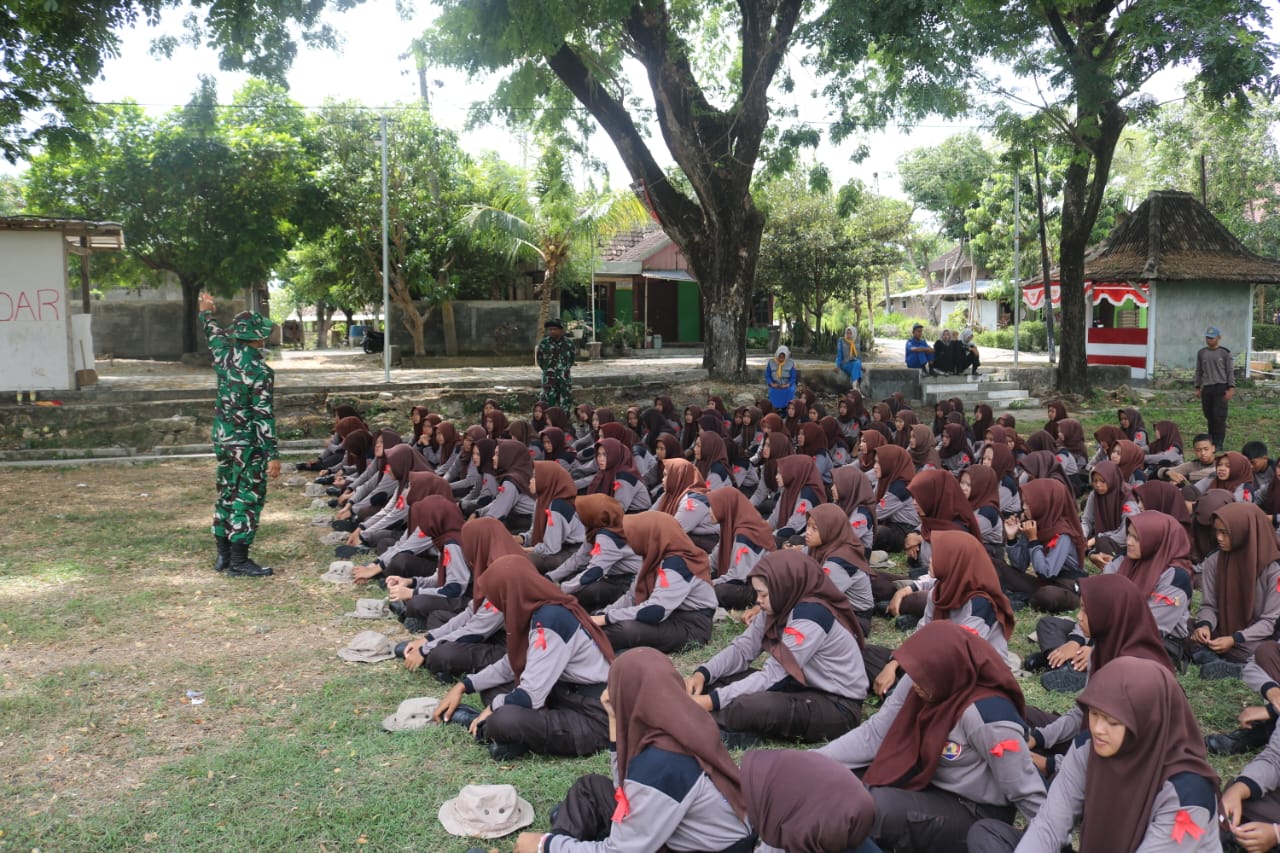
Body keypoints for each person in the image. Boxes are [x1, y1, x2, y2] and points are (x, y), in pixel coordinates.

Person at [819, 622, 1045, 852]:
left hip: (973, 808)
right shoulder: (924, 678)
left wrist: (1051, 841)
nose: (915, 684)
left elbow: (1024, 787)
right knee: (837, 784)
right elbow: (875, 733)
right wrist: (813, 762)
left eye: (921, 679)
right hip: (927, 779)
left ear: (946, 672)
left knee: (864, 806)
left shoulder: (986, 716)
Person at [968, 657, 1220, 853]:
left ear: (1147, 722)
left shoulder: (1188, 793)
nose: (1098, 728)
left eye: (1113, 721)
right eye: (1095, 714)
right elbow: (1049, 826)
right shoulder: (1088, 749)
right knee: (989, 836)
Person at [513, 648, 753, 853]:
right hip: (690, 829)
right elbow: (625, 789)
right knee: (590, 788)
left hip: (707, 849)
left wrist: (545, 845)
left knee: (560, 836)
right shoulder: (683, 722)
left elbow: (620, 850)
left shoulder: (662, 764)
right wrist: (614, 718)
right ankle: (567, 838)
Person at [432, 555, 614, 761]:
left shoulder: (551, 619)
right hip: (561, 693)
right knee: (493, 690)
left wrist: (492, 708)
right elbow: (511, 664)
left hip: (592, 715)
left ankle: (490, 728)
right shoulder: (535, 610)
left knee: (504, 719)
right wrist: (463, 686)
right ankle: (508, 738)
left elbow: (530, 696)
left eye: (497, 597)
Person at [686, 551, 868, 746]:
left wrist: (711, 701)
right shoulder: (780, 604)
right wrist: (703, 673)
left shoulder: (811, 616)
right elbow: (743, 649)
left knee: (752, 705)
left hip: (837, 704)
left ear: (784, 586)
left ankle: (698, 722)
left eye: (763, 594)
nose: (758, 600)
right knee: (721, 680)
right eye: (757, 593)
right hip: (801, 685)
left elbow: (773, 675)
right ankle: (714, 716)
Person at [197, 292, 279, 578]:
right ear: (259, 338)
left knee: (226, 493)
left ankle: (223, 555)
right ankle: (239, 561)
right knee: (248, 497)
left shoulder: (224, 355)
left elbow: (213, 334)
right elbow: (263, 415)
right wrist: (272, 454)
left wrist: (206, 311)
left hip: (223, 439)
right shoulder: (260, 371)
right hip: (248, 444)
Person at [1195, 324, 1234, 451]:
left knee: (1219, 416)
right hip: (1207, 388)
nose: (1209, 340)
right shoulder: (1202, 353)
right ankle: (1211, 441)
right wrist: (1197, 387)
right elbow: (1199, 371)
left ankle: (1219, 443)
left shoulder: (1225, 353)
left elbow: (1230, 371)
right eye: (1207, 338)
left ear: (1218, 338)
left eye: (1212, 338)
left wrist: (1231, 388)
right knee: (1209, 415)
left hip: (1220, 387)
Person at [536, 318, 576, 409]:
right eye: (550, 329)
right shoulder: (544, 344)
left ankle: (564, 418)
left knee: (565, 405)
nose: (552, 331)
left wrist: (563, 370)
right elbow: (540, 360)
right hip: (549, 380)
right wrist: (549, 370)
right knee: (547, 405)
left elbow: (571, 359)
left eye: (555, 329)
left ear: (561, 330)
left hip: (564, 380)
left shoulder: (569, 344)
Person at [765, 345, 797, 411]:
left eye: (783, 356)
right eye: (780, 356)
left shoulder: (791, 363)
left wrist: (787, 384)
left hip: (787, 385)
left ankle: (786, 409)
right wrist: (771, 384)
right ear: (777, 354)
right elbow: (767, 376)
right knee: (772, 391)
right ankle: (774, 409)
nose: (781, 358)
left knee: (789, 391)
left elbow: (793, 377)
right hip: (775, 384)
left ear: (786, 356)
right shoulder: (771, 362)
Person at [836, 325, 864, 390]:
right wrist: (837, 365)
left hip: (854, 363)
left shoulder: (857, 340)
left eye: (850, 333)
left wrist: (861, 366)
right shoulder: (841, 340)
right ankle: (855, 387)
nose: (848, 335)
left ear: (854, 333)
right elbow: (839, 355)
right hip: (845, 363)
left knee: (857, 364)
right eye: (847, 333)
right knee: (858, 367)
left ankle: (856, 389)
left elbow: (858, 355)